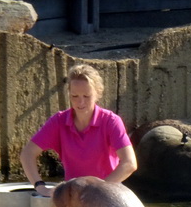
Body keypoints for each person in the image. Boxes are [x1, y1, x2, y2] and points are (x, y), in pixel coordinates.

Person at [19, 63, 137, 197]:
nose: (80, 102)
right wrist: (40, 186)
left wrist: (98, 190)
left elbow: (129, 163)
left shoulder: (111, 121)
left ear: (98, 94)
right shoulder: (58, 121)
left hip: (108, 195)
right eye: (75, 96)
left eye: (86, 96)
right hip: (73, 198)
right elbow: (27, 154)